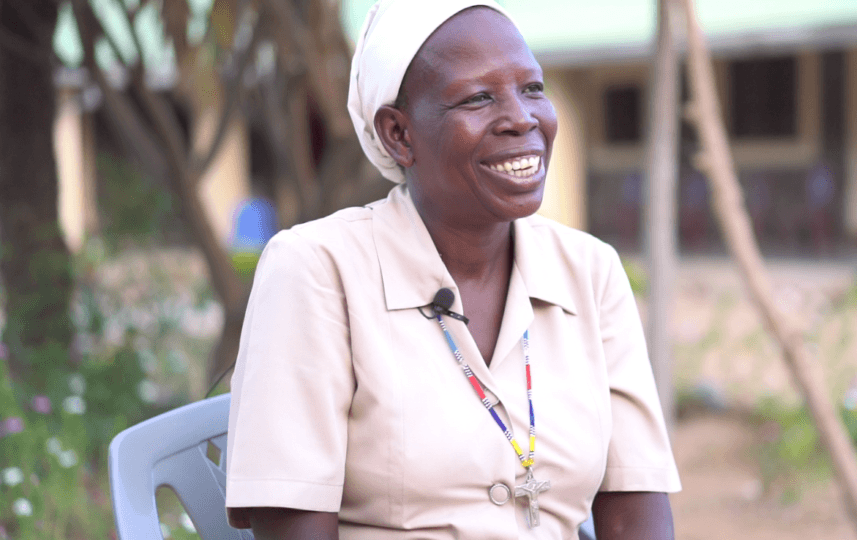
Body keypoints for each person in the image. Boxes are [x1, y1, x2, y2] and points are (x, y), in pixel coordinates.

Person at [223, 1, 681, 538]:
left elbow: (635, 515)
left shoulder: (591, 272)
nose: (522, 118)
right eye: (478, 98)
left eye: (532, 88)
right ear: (399, 134)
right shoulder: (317, 271)